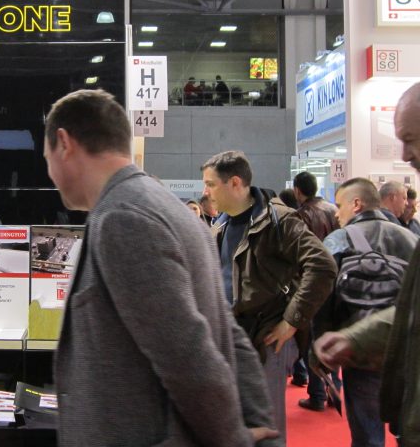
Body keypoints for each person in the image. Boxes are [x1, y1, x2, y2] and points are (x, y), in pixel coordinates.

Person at [46, 89, 278, 447]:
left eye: (46, 157)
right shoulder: (165, 208)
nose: (50, 173)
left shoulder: (123, 217)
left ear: (64, 143)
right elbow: (227, 335)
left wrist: (233, 438)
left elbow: (187, 353)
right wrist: (258, 425)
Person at [201, 150, 337, 444]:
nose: (205, 192)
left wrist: (292, 320)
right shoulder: (220, 224)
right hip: (230, 336)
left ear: (234, 183)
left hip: (267, 336)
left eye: (210, 184)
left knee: (266, 425)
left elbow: (322, 265)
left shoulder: (280, 220)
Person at [314, 82, 420, 446]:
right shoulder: (409, 237)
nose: (405, 154)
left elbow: (322, 293)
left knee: (367, 435)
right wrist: (353, 338)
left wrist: (330, 340)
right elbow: (411, 311)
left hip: (364, 361)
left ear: (355, 204)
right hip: (396, 356)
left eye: (411, 139)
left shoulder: (339, 240)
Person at [291, 171, 341, 409]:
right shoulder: (334, 210)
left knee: (311, 338)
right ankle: (334, 391)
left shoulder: (301, 215)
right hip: (336, 282)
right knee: (332, 336)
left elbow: (298, 254)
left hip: (312, 284)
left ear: (297, 190)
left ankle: (318, 393)